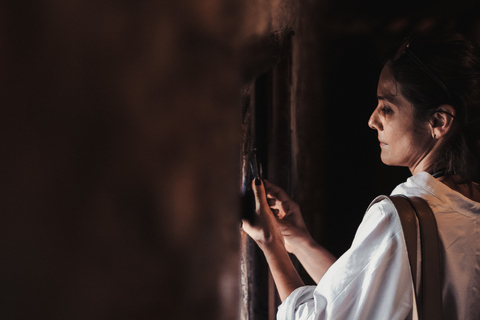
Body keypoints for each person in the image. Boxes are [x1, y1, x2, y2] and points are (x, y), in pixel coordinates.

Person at [242, 33, 480, 320]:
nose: (372, 120)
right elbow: (361, 295)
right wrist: (302, 242)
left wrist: (271, 243)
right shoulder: (467, 204)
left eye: (387, 108)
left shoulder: (402, 218)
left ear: (438, 122)